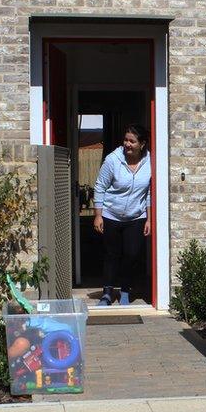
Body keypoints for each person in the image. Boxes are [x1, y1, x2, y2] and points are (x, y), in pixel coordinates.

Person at [93, 124, 152, 306]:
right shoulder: (113, 160)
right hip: (111, 214)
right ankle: (107, 293)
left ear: (142, 144)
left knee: (131, 255)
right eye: (126, 140)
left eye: (132, 141)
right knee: (111, 255)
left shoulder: (150, 161)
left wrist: (149, 218)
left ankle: (125, 290)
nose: (127, 144)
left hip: (136, 216)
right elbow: (100, 187)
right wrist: (98, 215)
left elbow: (149, 192)